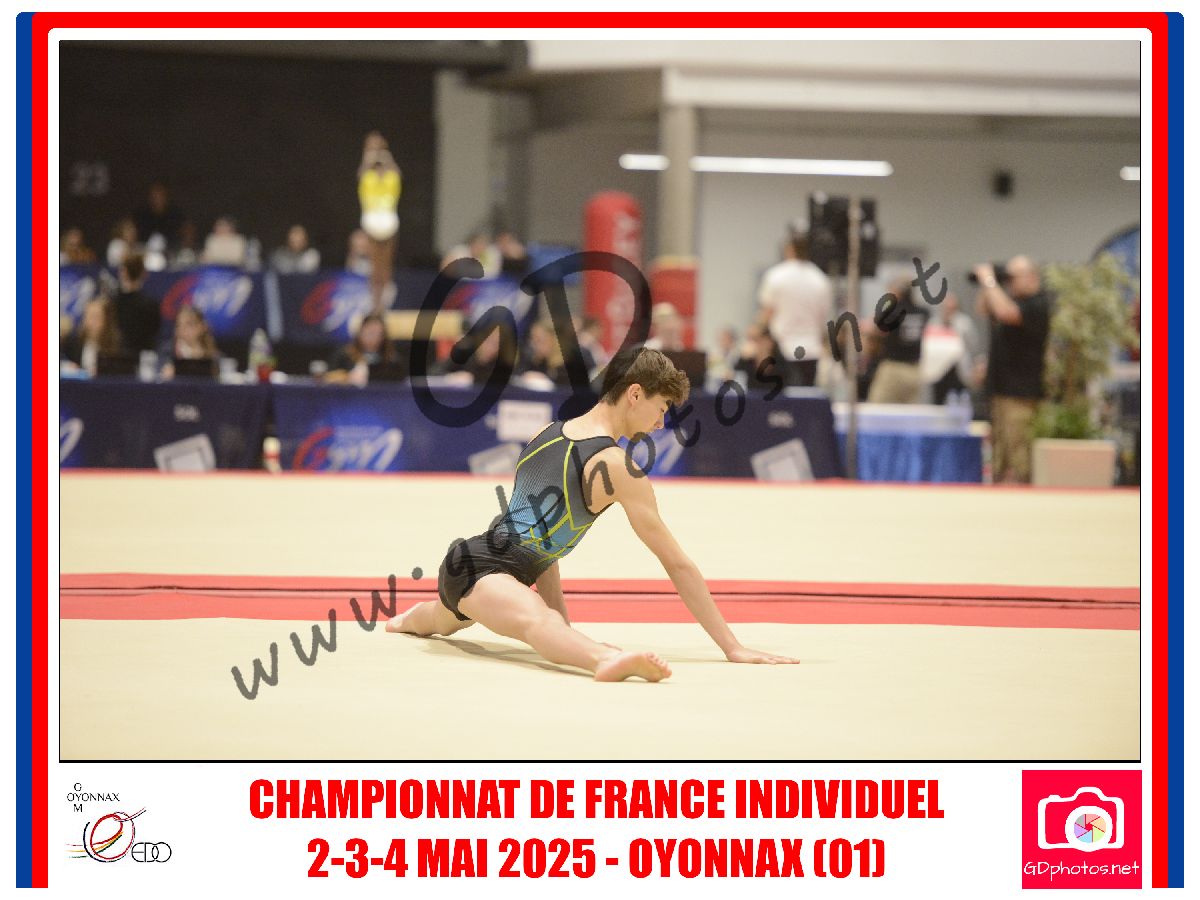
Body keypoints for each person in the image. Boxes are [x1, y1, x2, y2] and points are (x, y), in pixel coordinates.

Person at [385, 346, 800, 680]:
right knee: (535, 621)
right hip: (484, 572)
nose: (661, 423)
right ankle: (604, 660)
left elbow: (541, 547)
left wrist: (564, 628)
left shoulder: (545, 434)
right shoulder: (617, 466)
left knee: (445, 618)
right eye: (661, 407)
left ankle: (404, 621)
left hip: (473, 564)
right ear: (634, 394)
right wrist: (732, 646)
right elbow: (677, 563)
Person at [976, 255, 1053, 483]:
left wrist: (989, 280)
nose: (1009, 283)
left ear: (1031, 277)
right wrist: (989, 283)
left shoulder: (1038, 304)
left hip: (1021, 394)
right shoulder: (1009, 300)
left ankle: (1021, 492)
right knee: (999, 454)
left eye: (1013, 277)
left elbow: (1005, 313)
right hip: (1000, 389)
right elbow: (983, 308)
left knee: (1018, 453)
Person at [756, 232, 834, 387]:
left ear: (789, 249)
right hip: (810, 350)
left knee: (780, 397)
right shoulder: (821, 280)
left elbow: (767, 313)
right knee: (805, 395)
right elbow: (823, 319)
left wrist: (758, 338)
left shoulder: (776, 276)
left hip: (781, 349)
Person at [358, 131, 402, 311]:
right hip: (372, 220)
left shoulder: (392, 177)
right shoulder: (367, 177)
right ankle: (375, 302)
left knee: (386, 265)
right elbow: (361, 173)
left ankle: (383, 301)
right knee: (374, 266)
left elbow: (397, 173)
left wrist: (385, 157)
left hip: (388, 220)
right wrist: (368, 158)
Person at [865, 282, 929, 404]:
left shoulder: (892, 313)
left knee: (876, 407)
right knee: (910, 411)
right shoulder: (922, 312)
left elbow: (874, 329)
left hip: (893, 369)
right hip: (914, 371)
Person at [325, 313, 397, 386]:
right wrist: (347, 377)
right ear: (360, 332)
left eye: (378, 334)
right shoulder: (344, 355)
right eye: (370, 333)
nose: (373, 338)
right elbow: (327, 378)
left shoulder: (391, 359)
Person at [112, 253, 161, 354]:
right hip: (143, 355)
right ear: (143, 274)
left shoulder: (114, 303)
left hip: (119, 356)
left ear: (123, 272)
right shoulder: (150, 304)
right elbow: (154, 332)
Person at [61, 296, 121, 376]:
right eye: (87, 316)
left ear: (106, 319)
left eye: (95, 316)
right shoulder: (72, 343)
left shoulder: (116, 346)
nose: (90, 321)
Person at [160, 305, 218, 379]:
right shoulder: (167, 351)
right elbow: (157, 373)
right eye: (178, 325)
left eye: (189, 324)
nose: (182, 329)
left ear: (202, 327)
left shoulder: (213, 355)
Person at [133, 182, 186, 250]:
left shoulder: (174, 215)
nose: (157, 199)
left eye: (160, 195)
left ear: (166, 197)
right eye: (154, 196)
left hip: (171, 251)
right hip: (145, 251)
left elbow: (183, 232)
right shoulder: (142, 215)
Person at [734, 323, 785, 392]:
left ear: (768, 341)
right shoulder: (746, 360)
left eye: (755, 338)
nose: (751, 343)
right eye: (749, 339)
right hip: (751, 397)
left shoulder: (781, 362)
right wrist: (742, 358)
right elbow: (737, 378)